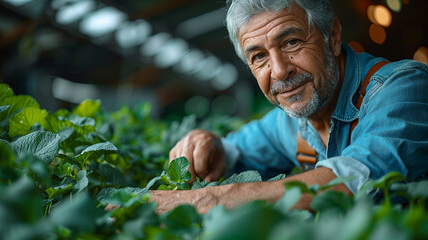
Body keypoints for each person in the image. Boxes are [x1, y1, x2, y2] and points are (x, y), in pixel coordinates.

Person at [150, 0, 428, 214]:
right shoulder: (289, 121)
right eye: (259, 56)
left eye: (292, 42)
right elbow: (233, 151)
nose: (280, 71)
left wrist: (211, 199)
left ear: (331, 37)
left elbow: (353, 180)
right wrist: (209, 143)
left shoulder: (403, 87)